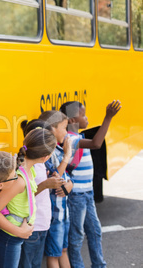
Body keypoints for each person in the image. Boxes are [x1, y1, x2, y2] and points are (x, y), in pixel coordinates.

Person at [59, 100, 121, 268]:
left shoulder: (78, 136)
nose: (87, 118)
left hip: (87, 193)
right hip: (76, 196)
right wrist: (108, 117)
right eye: (83, 115)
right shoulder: (69, 139)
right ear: (72, 120)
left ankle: (99, 264)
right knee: (76, 236)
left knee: (95, 231)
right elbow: (96, 144)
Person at [0, 128, 57, 268]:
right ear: (45, 157)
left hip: (16, 239)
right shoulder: (20, 180)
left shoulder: (30, 170)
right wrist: (19, 231)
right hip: (10, 239)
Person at [18, 120, 65, 268]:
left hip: (42, 222)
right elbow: (21, 194)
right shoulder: (24, 165)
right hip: (31, 225)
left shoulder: (41, 163)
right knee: (28, 264)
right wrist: (46, 185)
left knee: (36, 263)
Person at [38, 110, 73, 268]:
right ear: (52, 129)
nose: (66, 132)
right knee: (53, 255)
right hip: (53, 214)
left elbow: (64, 175)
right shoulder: (47, 153)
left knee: (63, 250)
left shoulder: (57, 150)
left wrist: (70, 184)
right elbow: (55, 177)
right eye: (64, 128)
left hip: (62, 212)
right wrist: (67, 156)